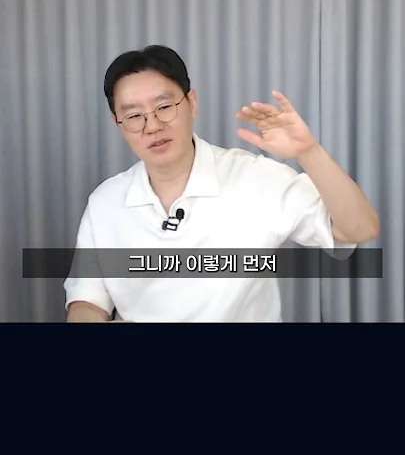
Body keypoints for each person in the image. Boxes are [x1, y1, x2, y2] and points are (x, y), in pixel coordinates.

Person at [64, 45, 379, 323]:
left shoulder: (255, 178)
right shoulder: (106, 202)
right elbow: (86, 301)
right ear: (118, 123)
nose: (153, 126)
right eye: (134, 116)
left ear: (191, 102)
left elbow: (359, 229)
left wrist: (309, 152)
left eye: (164, 107)